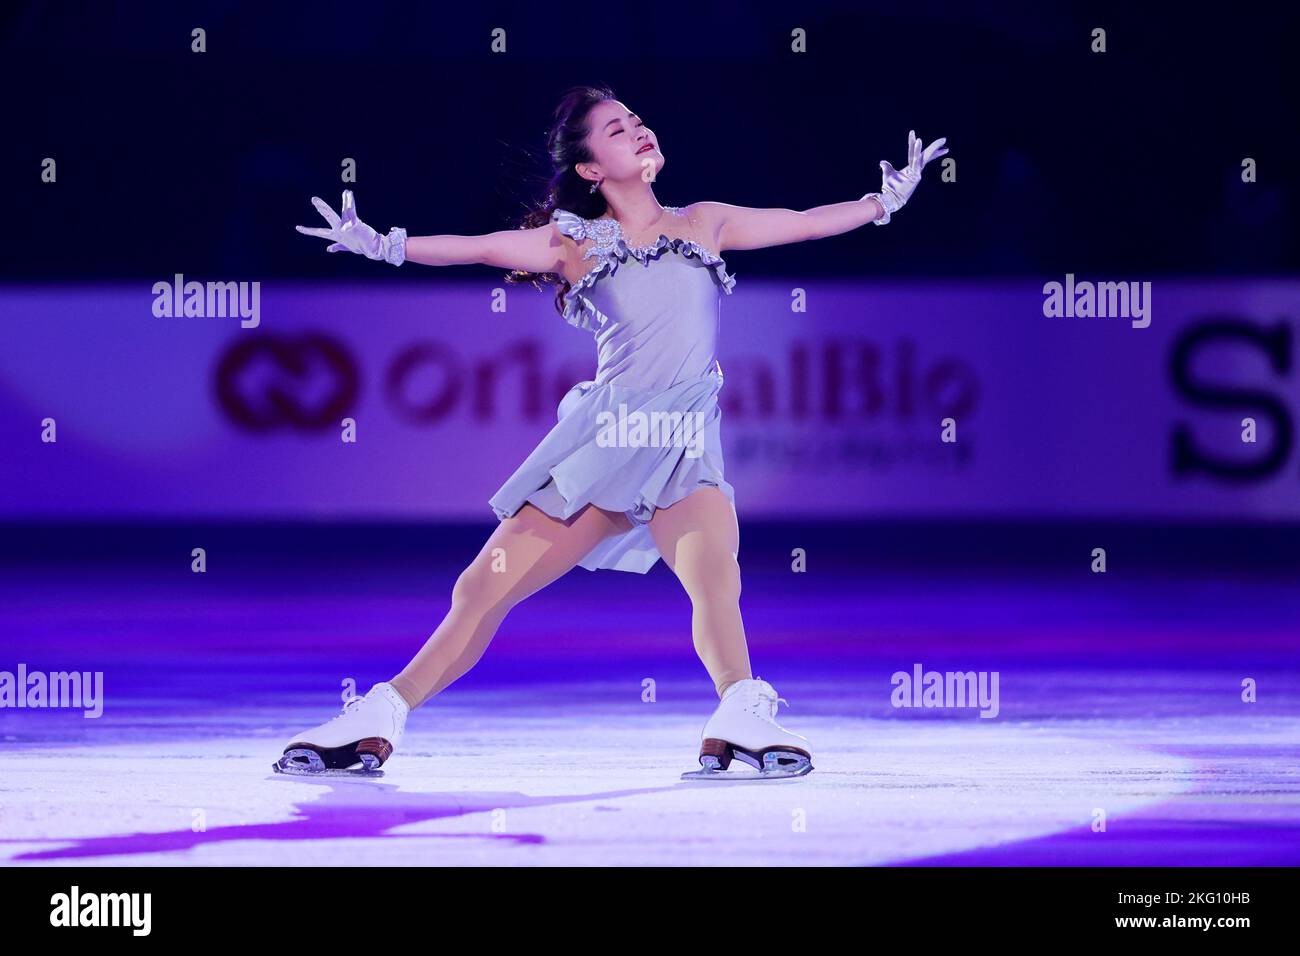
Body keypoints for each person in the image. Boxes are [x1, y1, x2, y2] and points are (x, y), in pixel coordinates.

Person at [276, 85, 947, 780]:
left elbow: (803, 222)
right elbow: (478, 248)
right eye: (618, 130)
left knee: (715, 579)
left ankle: (740, 712)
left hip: (684, 444)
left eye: (638, 122)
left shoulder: (704, 222)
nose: (640, 131)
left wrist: (880, 203)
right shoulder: (573, 240)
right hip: (607, 447)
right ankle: (380, 715)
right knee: (482, 589)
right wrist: (383, 244)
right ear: (591, 168)